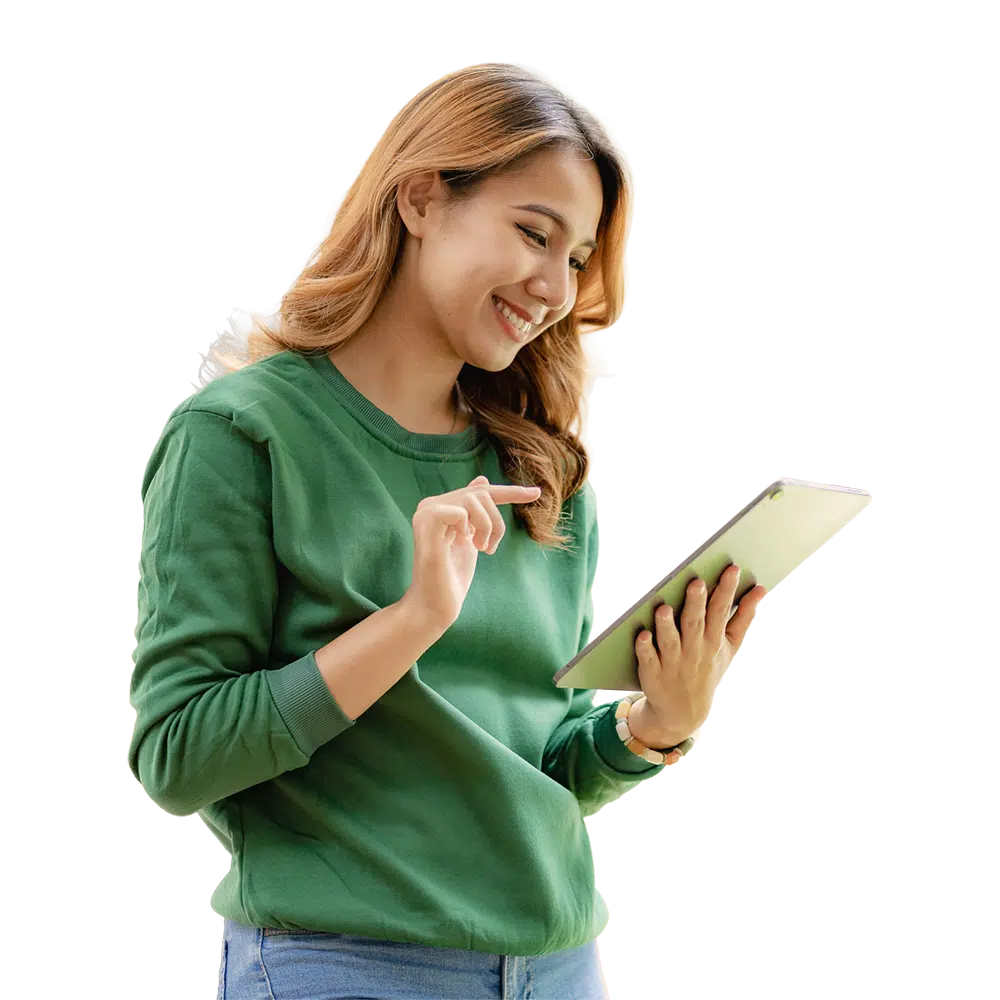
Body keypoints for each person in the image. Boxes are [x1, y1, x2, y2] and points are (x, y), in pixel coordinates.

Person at [128, 61, 766, 1000]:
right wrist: (411, 621)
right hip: (345, 965)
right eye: (533, 234)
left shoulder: (537, 470)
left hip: (556, 966)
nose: (555, 285)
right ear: (423, 198)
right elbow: (177, 758)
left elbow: (530, 763)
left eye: (578, 258)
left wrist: (653, 724)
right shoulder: (241, 438)